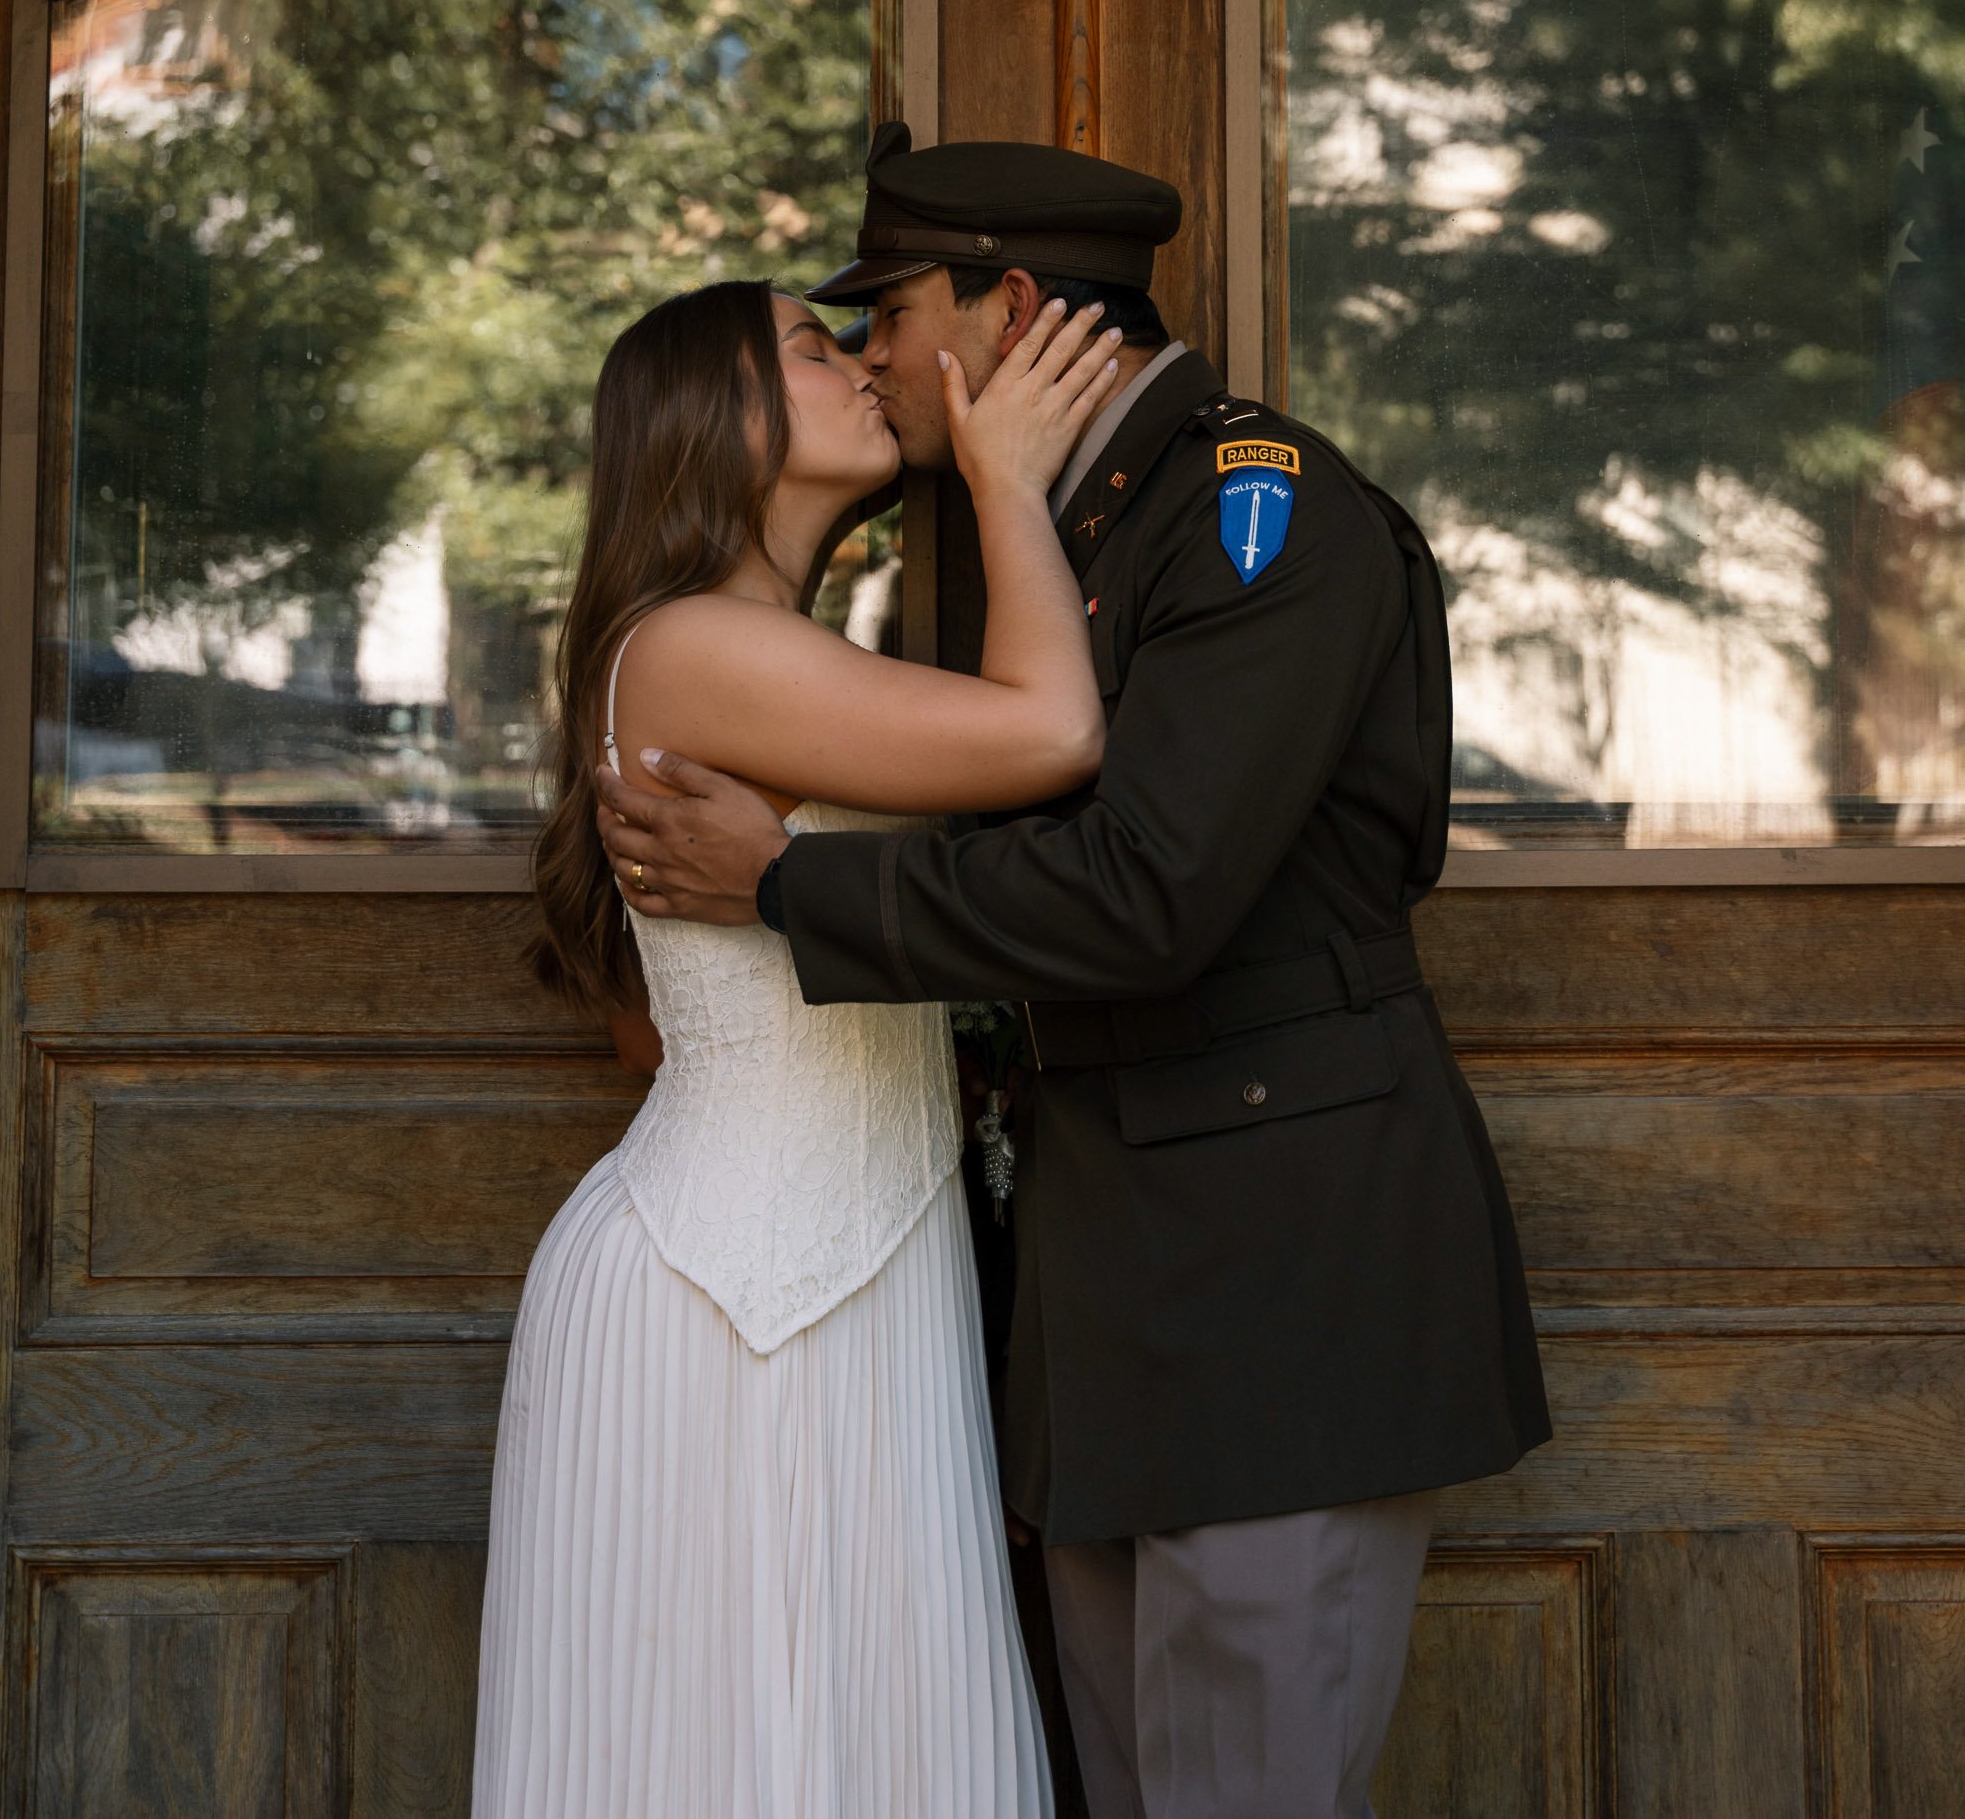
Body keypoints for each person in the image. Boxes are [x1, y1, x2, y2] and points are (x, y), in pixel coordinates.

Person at [596, 126, 1553, 1819]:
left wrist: (786, 885)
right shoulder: (1057, 519)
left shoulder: (1264, 511)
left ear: (1011, 306)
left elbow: (1152, 893)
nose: (878, 356)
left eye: (885, 313)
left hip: (1279, 1295)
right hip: (1116, 1314)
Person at [474, 273, 1129, 1819]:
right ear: (718, 418)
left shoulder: (773, 642)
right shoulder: (692, 644)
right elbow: (1052, 734)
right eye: (812, 347)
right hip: (731, 1297)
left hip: (867, 1272)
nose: (858, 366)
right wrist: (1008, 478)